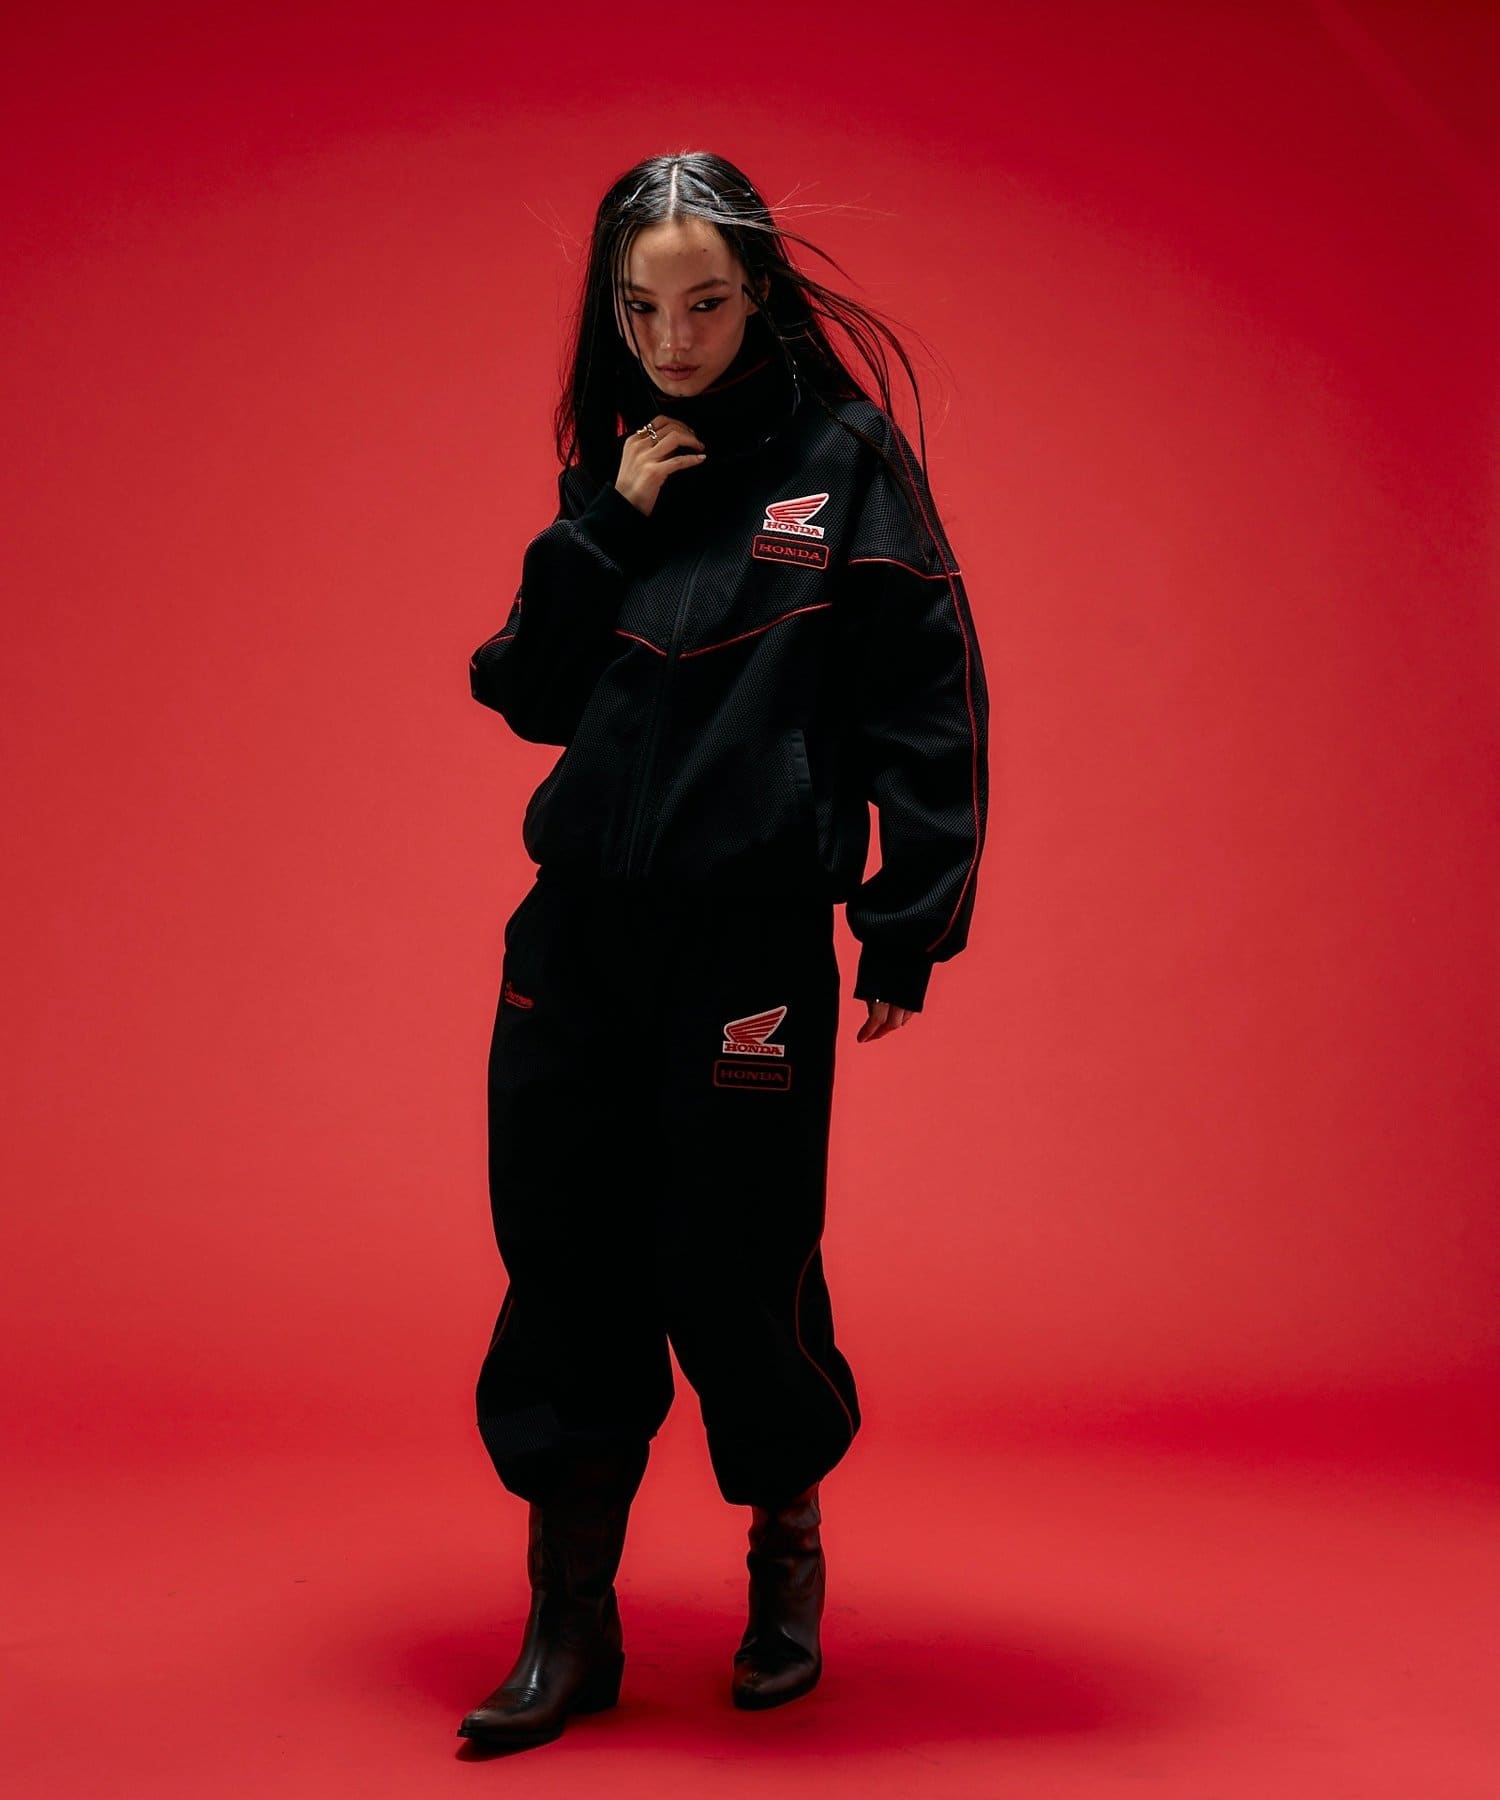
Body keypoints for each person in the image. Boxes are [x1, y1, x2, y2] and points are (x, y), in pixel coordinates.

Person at [458, 149, 990, 1750]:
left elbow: (929, 697)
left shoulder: (846, 462)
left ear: (757, 290)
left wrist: (906, 920)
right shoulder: (626, 462)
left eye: (702, 302)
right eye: (641, 309)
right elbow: (528, 694)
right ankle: (571, 1620)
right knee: (563, 1251)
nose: (672, 338)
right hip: (577, 933)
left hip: (748, 938)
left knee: (735, 1257)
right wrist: (605, 523)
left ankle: (786, 1550)